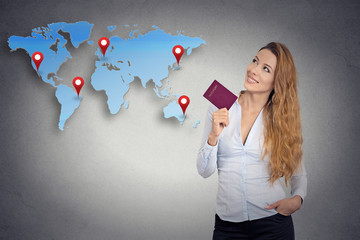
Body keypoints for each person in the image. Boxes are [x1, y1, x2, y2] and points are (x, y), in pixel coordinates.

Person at [196, 42, 307, 240]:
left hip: (273, 224)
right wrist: (213, 136)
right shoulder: (219, 106)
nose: (253, 70)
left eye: (265, 69)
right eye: (255, 61)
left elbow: (298, 172)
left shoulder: (280, 118)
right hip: (228, 226)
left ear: (277, 81)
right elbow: (204, 171)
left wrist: (297, 200)